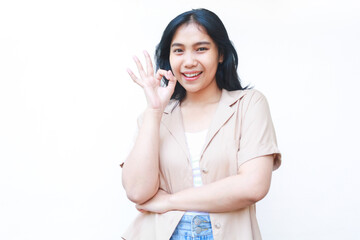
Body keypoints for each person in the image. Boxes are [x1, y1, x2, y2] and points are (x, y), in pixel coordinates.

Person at [121, 8, 281, 240]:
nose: (188, 62)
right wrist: (154, 111)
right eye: (178, 51)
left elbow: (253, 185)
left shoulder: (248, 105)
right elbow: (137, 191)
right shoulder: (154, 116)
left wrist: (169, 201)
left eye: (201, 49)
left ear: (221, 54)